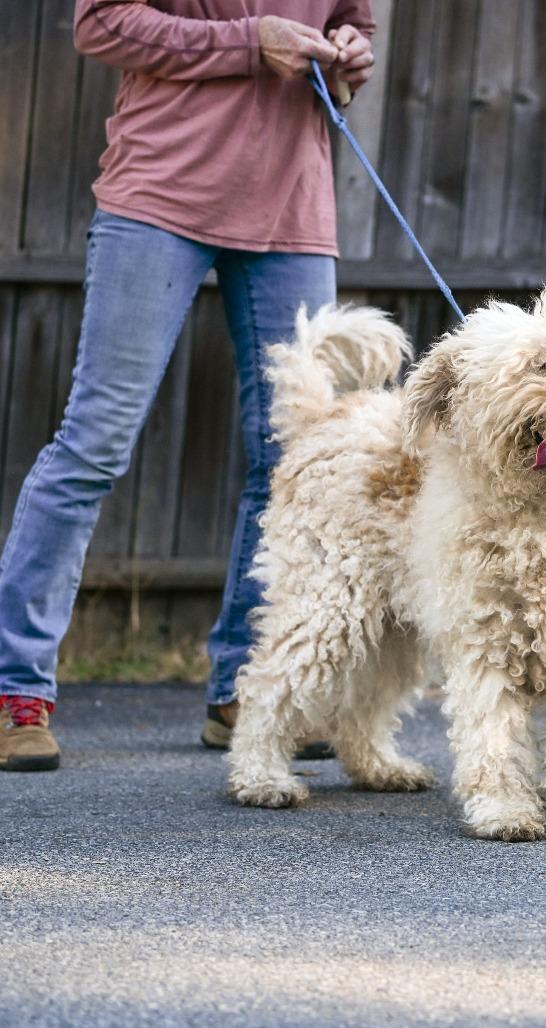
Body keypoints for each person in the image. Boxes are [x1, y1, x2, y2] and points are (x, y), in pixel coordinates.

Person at [0, 0, 376, 772]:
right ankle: (15, 690)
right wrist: (250, 41)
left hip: (292, 209)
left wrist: (346, 58)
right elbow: (98, 24)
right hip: (159, 200)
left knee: (295, 459)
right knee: (94, 445)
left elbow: (354, 25)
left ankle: (247, 688)